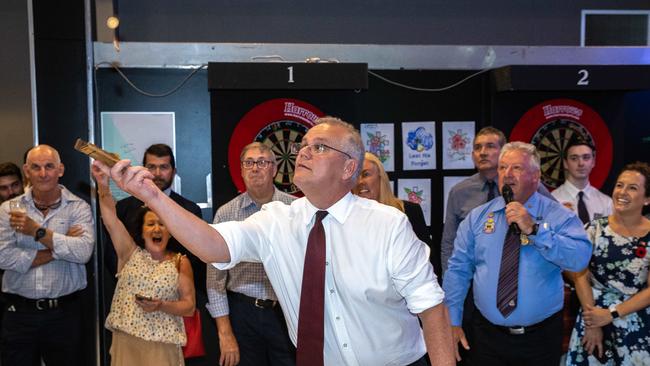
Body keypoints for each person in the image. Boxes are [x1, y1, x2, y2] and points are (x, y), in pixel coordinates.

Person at [97, 117, 455, 366]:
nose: (303, 152)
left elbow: (432, 310)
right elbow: (213, 245)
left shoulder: (388, 225)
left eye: (320, 147)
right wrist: (155, 197)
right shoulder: (276, 220)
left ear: (349, 168)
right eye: (304, 146)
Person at [443, 141, 592, 366]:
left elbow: (579, 259)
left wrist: (534, 229)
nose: (507, 174)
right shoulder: (478, 217)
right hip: (487, 337)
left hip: (539, 339)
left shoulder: (558, 215)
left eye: (517, 168)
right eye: (502, 168)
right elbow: (458, 270)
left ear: (536, 175)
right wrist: (452, 321)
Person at [439, 127, 555, 364]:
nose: (483, 152)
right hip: (473, 293)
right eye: (477, 147)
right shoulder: (459, 192)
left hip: (521, 297)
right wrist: (452, 299)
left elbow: (550, 232)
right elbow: (449, 245)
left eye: (490, 146)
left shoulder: (535, 189)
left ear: (504, 152)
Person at [102, 143, 212, 364]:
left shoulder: (182, 252)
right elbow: (112, 227)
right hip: (126, 334)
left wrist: (163, 302)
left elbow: (191, 299)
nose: (158, 173)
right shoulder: (128, 237)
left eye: (164, 167)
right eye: (152, 167)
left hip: (165, 336)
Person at [0, 145, 95, 366]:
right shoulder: (7, 210)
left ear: (60, 170)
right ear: (26, 170)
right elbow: (4, 257)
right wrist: (58, 248)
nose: (43, 174)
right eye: (36, 167)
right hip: (19, 315)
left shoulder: (78, 208)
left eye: (49, 166)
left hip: (64, 315)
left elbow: (82, 253)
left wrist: (37, 231)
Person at [207, 142, 295, 366]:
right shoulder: (226, 213)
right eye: (249, 163)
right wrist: (225, 333)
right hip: (242, 314)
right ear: (242, 170)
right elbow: (214, 279)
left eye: (262, 162)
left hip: (286, 311)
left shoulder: (295, 210)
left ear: (274, 169)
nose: (255, 168)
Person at [566, 162, 650, 365]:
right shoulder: (594, 229)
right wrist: (593, 321)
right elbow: (579, 274)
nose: (622, 192)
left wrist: (611, 314)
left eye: (632, 188)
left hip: (634, 323)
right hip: (592, 318)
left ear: (647, 199)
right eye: (620, 185)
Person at [352, 151, 435, 272]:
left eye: (366, 174)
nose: (360, 182)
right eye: (355, 176)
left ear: (381, 177)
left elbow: (427, 259)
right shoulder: (348, 218)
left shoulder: (409, 211)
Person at [552, 138, 612, 224]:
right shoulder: (553, 201)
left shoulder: (606, 203)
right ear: (565, 163)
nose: (581, 163)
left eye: (586, 157)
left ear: (593, 162)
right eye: (574, 158)